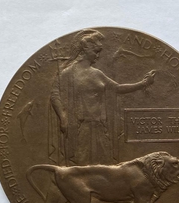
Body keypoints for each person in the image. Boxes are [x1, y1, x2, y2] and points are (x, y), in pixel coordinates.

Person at [49, 29, 155, 166]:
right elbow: (55, 94)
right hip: (80, 129)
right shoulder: (67, 73)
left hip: (99, 127)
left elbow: (117, 89)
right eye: (96, 51)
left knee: (103, 166)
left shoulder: (97, 74)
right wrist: (62, 117)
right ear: (85, 50)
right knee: (81, 167)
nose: (98, 56)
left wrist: (143, 83)